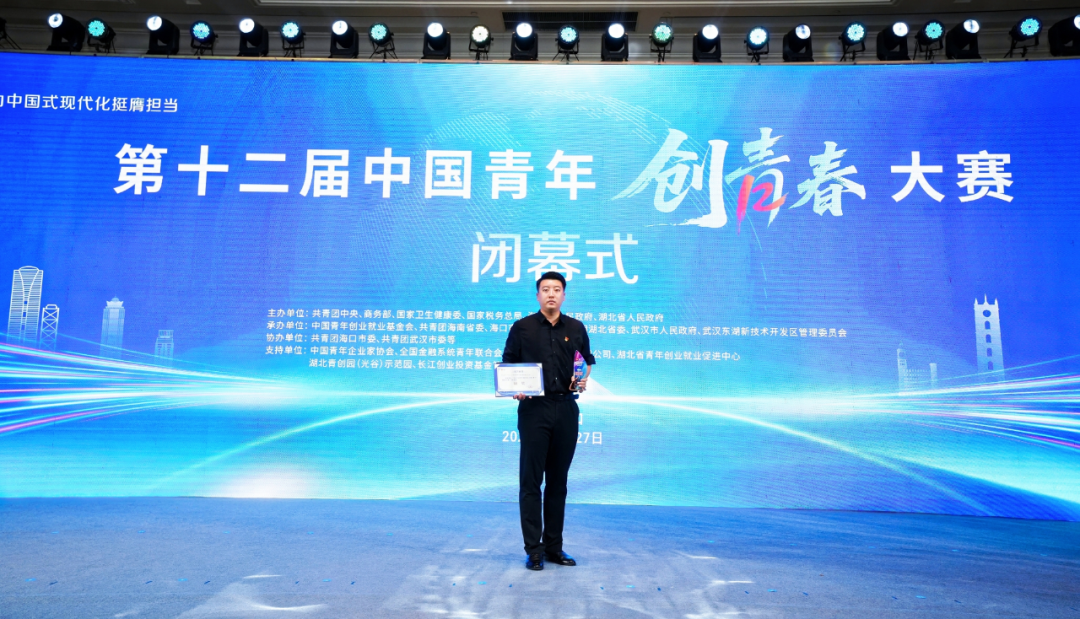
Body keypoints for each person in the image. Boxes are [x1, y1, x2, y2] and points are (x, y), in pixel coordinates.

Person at [502, 271, 595, 571]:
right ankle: (534, 550)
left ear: (564, 295)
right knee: (531, 482)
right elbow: (509, 364)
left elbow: (586, 362)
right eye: (545, 289)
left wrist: (582, 379)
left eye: (556, 289)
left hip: (566, 408)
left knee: (558, 482)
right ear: (538, 295)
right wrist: (515, 387)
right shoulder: (522, 327)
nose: (551, 294)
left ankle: (554, 547)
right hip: (534, 409)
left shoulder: (576, 327)